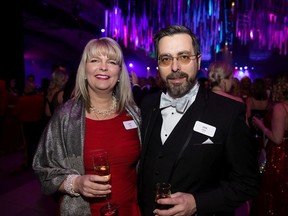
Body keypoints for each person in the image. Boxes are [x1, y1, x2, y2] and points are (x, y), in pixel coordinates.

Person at [137, 25, 260, 216]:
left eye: (184, 57)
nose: (175, 67)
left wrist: (197, 203)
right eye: (166, 59)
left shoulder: (228, 112)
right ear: (158, 64)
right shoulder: (147, 104)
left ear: (198, 60)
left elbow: (247, 183)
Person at [32, 37, 142, 215]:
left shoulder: (134, 113)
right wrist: (75, 183)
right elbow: (42, 167)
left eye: (112, 62)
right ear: (84, 70)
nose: (103, 67)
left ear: (120, 73)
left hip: (131, 209)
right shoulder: (66, 116)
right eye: (95, 60)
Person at [251, 71, 288, 216]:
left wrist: (261, 126)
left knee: (273, 194)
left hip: (279, 156)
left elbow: (277, 139)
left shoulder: (280, 108)